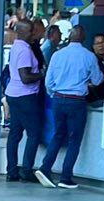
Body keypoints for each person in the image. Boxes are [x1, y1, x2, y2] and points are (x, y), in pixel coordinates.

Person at [36, 25, 99, 189]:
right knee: (74, 140)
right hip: (77, 101)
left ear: (69, 37)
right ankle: (65, 177)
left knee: (57, 135)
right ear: (84, 38)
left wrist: (54, 94)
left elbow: (48, 81)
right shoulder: (89, 56)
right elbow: (98, 79)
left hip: (58, 99)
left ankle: (45, 168)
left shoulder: (57, 55)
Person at [4, 19, 43, 182]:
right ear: (22, 32)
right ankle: (26, 171)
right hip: (25, 96)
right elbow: (26, 77)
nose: (33, 34)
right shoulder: (25, 50)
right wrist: (42, 74)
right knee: (34, 134)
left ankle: (11, 171)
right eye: (30, 31)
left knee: (14, 134)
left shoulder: (16, 47)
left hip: (13, 94)